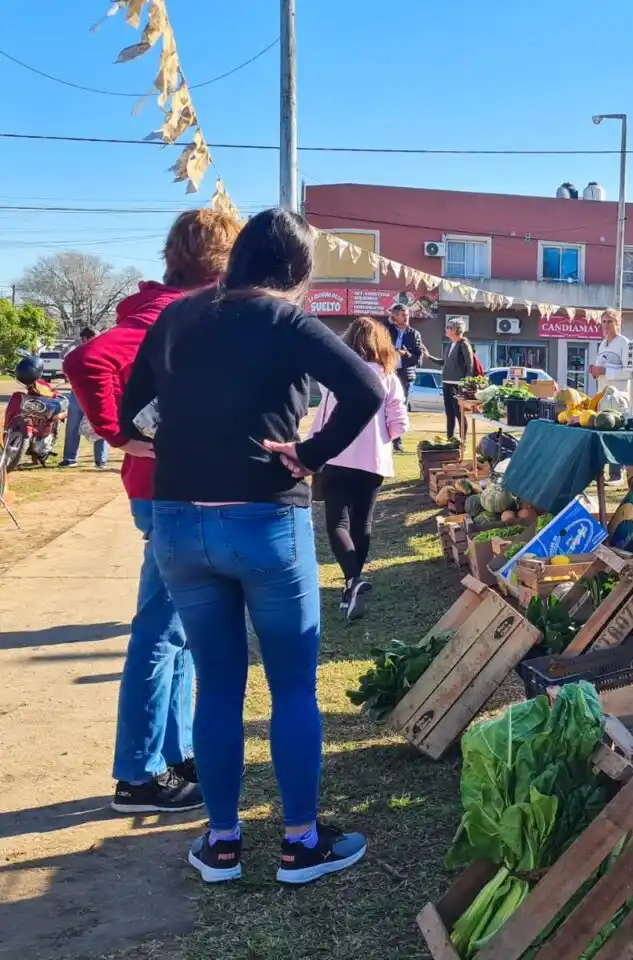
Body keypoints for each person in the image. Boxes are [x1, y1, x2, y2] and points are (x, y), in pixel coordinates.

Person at [120, 207, 384, 885]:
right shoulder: (283, 319)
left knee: (217, 684)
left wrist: (185, 438)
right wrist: (312, 453)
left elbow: (130, 414)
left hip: (179, 521)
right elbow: (368, 387)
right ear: (297, 269)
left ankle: (222, 842)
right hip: (264, 518)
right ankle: (300, 843)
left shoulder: (179, 317)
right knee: (292, 686)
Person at [64, 208, 242, 815]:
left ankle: (175, 755)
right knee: (163, 632)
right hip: (167, 493)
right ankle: (139, 774)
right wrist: (117, 432)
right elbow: (86, 360)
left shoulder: (171, 308)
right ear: (221, 262)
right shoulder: (170, 313)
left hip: (171, 489)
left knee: (182, 635)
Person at [311, 316, 409, 619]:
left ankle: (351, 581)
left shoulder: (335, 375)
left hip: (335, 456)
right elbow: (400, 423)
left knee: (336, 524)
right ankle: (352, 583)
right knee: (361, 524)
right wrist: (380, 438)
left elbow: (324, 413)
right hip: (372, 461)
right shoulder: (388, 378)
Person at [588, 312, 630, 482]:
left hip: (619, 397)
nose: (606, 325)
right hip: (603, 396)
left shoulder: (624, 343)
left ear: (617, 323)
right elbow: (602, 368)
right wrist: (595, 371)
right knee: (602, 430)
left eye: (609, 321)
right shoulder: (602, 344)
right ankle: (600, 471)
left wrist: (606, 371)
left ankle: (616, 472)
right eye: (603, 321)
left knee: (615, 432)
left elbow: (629, 372)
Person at [60, 328, 110, 469]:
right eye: (94, 337)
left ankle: (101, 460)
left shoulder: (104, 350)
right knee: (73, 426)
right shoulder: (76, 351)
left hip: (98, 391)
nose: (98, 340)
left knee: (101, 424)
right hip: (78, 392)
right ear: (85, 338)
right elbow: (62, 355)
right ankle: (70, 458)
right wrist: (77, 342)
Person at [384, 303, 423, 451]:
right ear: (394, 317)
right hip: (388, 372)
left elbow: (418, 359)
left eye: (407, 315)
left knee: (400, 406)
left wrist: (407, 354)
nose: (406, 317)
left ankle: (397, 441)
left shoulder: (414, 334)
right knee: (384, 405)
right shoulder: (387, 330)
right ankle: (385, 437)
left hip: (404, 375)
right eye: (402, 315)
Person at [436, 317, 475, 444]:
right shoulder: (450, 345)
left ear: (454, 330)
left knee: (459, 413)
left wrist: (467, 385)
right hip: (447, 383)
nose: (446, 329)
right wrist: (428, 356)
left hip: (458, 385)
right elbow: (443, 362)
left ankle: (463, 441)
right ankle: (450, 440)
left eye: (448, 327)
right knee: (449, 413)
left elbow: (470, 365)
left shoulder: (464, 344)